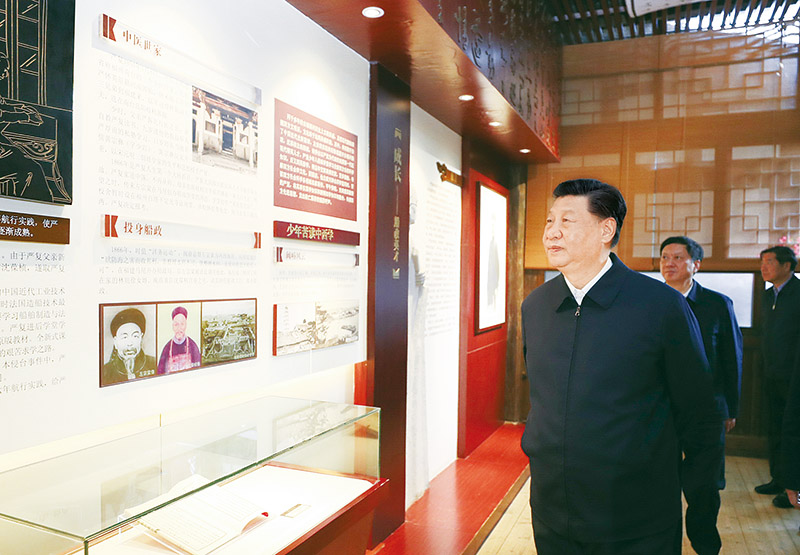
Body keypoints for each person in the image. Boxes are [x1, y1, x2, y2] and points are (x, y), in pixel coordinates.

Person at [520, 178, 722, 554]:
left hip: (636, 520)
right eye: (549, 221)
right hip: (552, 514)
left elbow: (699, 418)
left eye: (567, 220)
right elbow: (542, 402)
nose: (552, 232)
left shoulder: (660, 307)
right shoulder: (535, 306)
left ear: (606, 229)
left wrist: (702, 510)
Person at [660, 236, 743, 555]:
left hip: (706, 410)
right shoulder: (651, 302)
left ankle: (706, 547)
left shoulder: (717, 304)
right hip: (660, 409)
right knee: (659, 483)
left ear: (696, 264)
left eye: (677, 257)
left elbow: (732, 358)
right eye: (664, 257)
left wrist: (730, 408)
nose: (669, 263)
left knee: (704, 487)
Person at [755, 245, 800, 508]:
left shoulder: (798, 292)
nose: (764, 267)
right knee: (774, 426)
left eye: (770, 261)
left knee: (793, 430)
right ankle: (778, 478)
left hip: (793, 375)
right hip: (771, 372)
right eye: (762, 261)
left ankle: (792, 485)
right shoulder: (767, 294)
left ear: (787, 265)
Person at [102, 307, 157, 386]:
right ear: (115, 342)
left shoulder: (155, 363)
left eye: (135, 336)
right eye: (124, 337)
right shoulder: (105, 372)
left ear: (141, 338)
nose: (130, 343)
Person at [158, 306, 201, 374]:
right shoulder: (167, 348)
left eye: (182, 324)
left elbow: (198, 369)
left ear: (186, 325)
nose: (179, 328)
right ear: (173, 326)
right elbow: (160, 372)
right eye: (176, 324)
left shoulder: (193, 346)